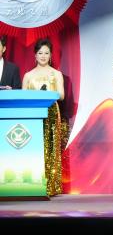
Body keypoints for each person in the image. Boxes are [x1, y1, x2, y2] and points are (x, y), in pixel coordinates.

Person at [21, 38, 67, 196]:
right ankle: (32, 184)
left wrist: (48, 93)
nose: (43, 56)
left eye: (46, 53)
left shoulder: (56, 74)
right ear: (35, 55)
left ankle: (50, 186)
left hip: (51, 113)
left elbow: (61, 95)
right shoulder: (28, 76)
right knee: (33, 146)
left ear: (51, 55)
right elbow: (23, 97)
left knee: (51, 148)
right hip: (32, 114)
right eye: (40, 53)